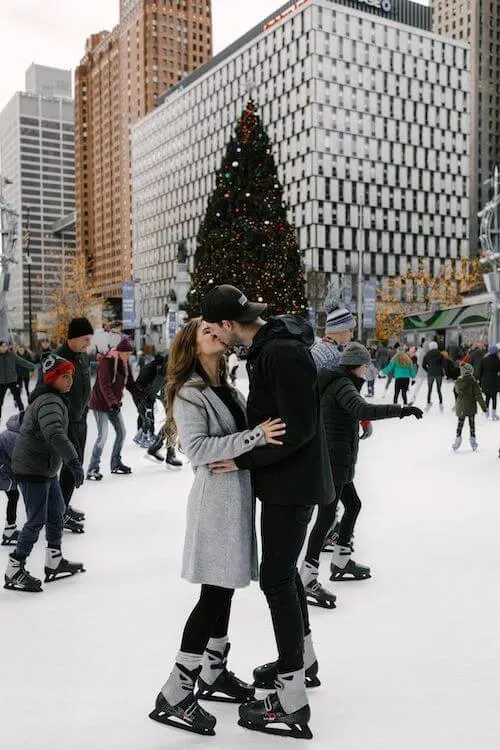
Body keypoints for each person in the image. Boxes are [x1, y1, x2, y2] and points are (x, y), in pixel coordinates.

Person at [203, 284, 334, 741]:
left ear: (226, 324)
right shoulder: (271, 348)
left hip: (290, 485)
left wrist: (243, 457)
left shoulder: (277, 352)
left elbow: (294, 428)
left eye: (216, 330)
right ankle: (302, 660)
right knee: (284, 576)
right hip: (288, 482)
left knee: (277, 579)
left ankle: (290, 698)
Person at [149, 319, 286, 736]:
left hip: (236, 499)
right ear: (189, 341)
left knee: (223, 590)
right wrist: (254, 438)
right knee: (213, 594)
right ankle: (176, 691)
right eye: (202, 328)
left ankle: (212, 671)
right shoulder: (189, 391)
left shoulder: (226, 387)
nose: (211, 331)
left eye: (215, 327)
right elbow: (198, 449)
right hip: (216, 504)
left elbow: (241, 435)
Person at [300, 343, 422, 601]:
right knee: (325, 517)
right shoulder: (343, 384)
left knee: (353, 505)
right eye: (366, 366)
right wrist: (402, 410)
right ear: (358, 366)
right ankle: (307, 577)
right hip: (335, 461)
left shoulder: (338, 382)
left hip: (337, 460)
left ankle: (341, 560)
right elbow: (363, 410)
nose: (368, 370)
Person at [4, 355, 85, 593]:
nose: (69, 380)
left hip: (45, 467)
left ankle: (54, 560)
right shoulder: (50, 401)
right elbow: (55, 434)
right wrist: (73, 462)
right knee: (36, 520)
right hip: (32, 468)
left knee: (56, 513)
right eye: (64, 376)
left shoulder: (53, 398)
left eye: (71, 375)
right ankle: (14, 569)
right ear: (52, 378)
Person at [57, 318, 94, 533]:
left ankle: (62, 505)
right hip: (66, 421)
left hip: (81, 419)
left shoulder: (82, 356)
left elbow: (85, 385)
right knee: (71, 466)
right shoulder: (59, 358)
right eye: (85, 339)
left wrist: (85, 409)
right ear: (74, 337)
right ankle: (58, 513)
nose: (88, 343)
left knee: (74, 464)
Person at [87, 337, 143, 478]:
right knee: (102, 436)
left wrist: (142, 394)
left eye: (130, 354)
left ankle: (116, 464)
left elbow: (129, 383)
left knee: (122, 432)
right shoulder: (107, 362)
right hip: (100, 404)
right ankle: (92, 469)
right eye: (126, 353)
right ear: (118, 351)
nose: (128, 356)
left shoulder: (125, 364)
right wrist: (112, 403)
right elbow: (104, 384)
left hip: (114, 405)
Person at [135, 353, 182, 468]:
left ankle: (159, 449)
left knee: (173, 422)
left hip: (173, 392)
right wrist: (150, 395)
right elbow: (162, 376)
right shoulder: (177, 355)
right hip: (169, 393)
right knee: (173, 422)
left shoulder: (183, 355)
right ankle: (165, 452)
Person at [453, 363, 487, 452]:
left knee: (460, 424)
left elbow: (456, 391)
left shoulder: (458, 382)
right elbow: (478, 396)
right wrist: (484, 408)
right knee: (472, 424)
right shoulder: (473, 382)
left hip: (461, 406)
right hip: (471, 406)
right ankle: (473, 442)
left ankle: (457, 441)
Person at [0, 414, 22, 545]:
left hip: (4, 469)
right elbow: (18, 459)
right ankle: (9, 530)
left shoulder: (13, 432)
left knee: (14, 496)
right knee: (14, 496)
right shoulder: (14, 437)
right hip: (3, 471)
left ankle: (9, 529)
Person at [0, 340, 36, 420]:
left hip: (12, 381)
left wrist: (33, 366)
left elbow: (22, 361)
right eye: (2, 346)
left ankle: (22, 414)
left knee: (18, 398)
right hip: (1, 382)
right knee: (0, 401)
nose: (4, 348)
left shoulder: (12, 355)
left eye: (5, 346)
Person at [479, 345, 500, 420]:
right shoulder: (498, 360)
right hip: (495, 381)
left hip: (486, 381)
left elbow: (480, 371)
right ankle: (494, 414)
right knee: (494, 398)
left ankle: (486, 413)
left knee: (487, 397)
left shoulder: (484, 360)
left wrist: (480, 381)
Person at [422, 341, 445, 411]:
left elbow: (423, 365)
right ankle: (441, 404)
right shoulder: (440, 354)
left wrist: (428, 370)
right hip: (439, 374)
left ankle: (428, 403)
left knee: (429, 390)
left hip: (430, 374)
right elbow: (443, 364)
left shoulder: (427, 354)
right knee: (439, 390)